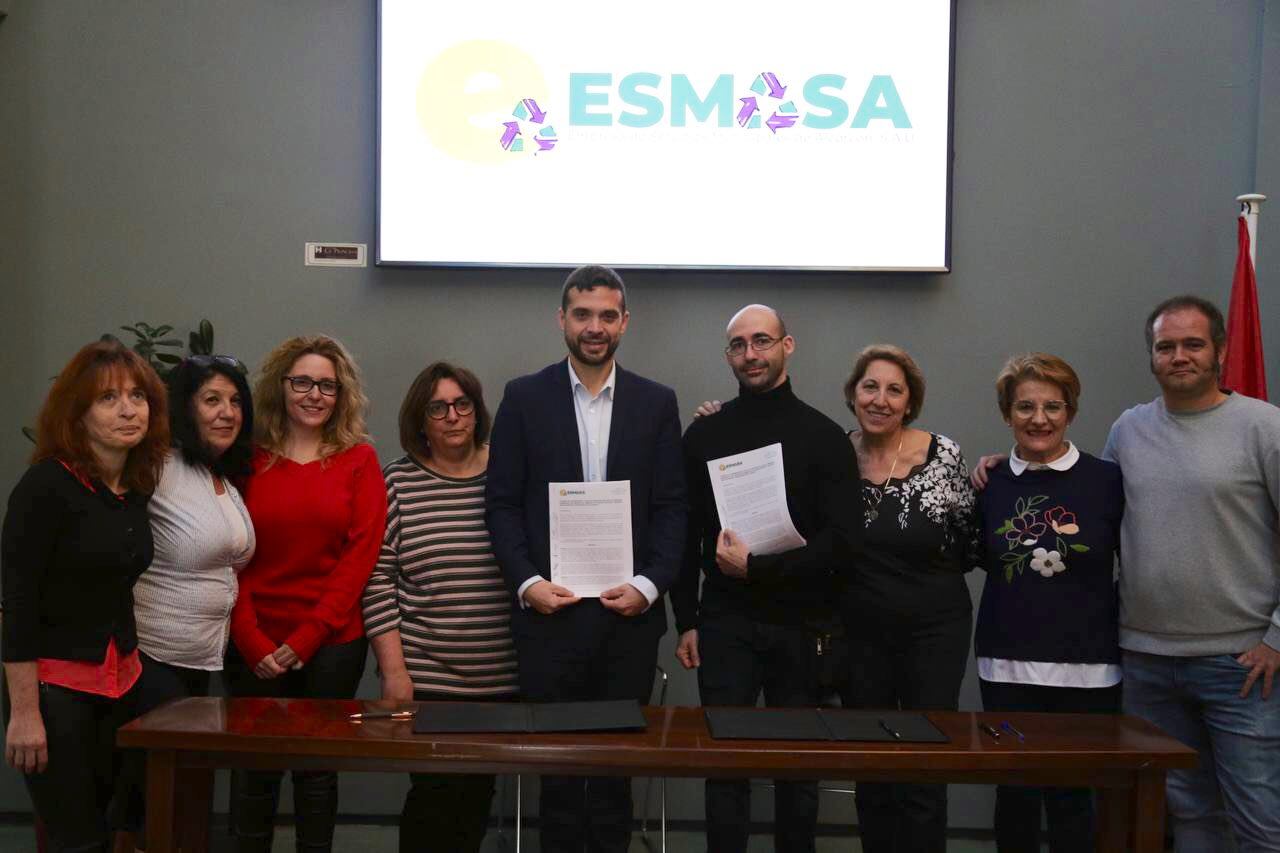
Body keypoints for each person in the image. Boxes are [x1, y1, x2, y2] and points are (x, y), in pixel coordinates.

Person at [485, 265, 686, 853]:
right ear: (562, 320)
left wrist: (649, 585)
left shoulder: (656, 402)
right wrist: (527, 583)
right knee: (559, 773)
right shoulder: (524, 397)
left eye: (606, 315)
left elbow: (674, 508)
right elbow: (501, 506)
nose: (594, 327)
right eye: (582, 315)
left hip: (628, 618)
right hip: (550, 616)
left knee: (615, 770)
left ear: (624, 321)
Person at [672, 305, 861, 853]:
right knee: (724, 764)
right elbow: (687, 536)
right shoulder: (706, 433)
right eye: (738, 345)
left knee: (796, 771)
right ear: (728, 355)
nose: (750, 354)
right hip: (726, 621)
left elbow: (842, 544)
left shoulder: (825, 437)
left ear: (787, 346)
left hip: (802, 623)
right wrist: (687, 619)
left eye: (761, 341)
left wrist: (760, 567)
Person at [1102, 296, 1280, 852]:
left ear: (1221, 351)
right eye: (1166, 346)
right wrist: (1005, 467)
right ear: (1152, 357)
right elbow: (1085, 507)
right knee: (1188, 817)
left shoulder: (1264, 427)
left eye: (1193, 344)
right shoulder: (1128, 430)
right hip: (1147, 662)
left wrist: (1278, 638)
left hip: (1242, 666)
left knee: (1258, 821)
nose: (1179, 356)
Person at [2, 339, 169, 853]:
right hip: (56, 691)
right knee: (78, 842)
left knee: (110, 831)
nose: (128, 409)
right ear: (77, 414)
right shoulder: (45, 486)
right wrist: (25, 714)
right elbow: (17, 602)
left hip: (121, 684)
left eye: (137, 396)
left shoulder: (135, 487)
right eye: (108, 399)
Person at [226, 335, 387, 853]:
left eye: (327, 386)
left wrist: (310, 635)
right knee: (254, 775)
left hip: (332, 641)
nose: (314, 395)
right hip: (252, 636)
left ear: (341, 396)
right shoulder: (245, 460)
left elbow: (359, 558)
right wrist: (251, 640)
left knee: (317, 776)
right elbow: (231, 552)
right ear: (281, 386)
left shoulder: (359, 460)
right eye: (303, 382)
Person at [362, 361, 517, 853]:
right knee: (431, 801)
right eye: (438, 407)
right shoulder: (398, 484)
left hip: (502, 679)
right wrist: (393, 672)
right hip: (427, 678)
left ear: (477, 411)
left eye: (462, 404)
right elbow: (377, 582)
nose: (452, 416)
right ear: (421, 420)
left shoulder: (510, 475)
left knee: (474, 801)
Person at [973, 353, 1123, 853]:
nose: (1039, 418)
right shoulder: (989, 482)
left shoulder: (1108, 481)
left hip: (1089, 669)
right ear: (1006, 413)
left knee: (1074, 803)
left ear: (1071, 412)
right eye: (1025, 406)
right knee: (1013, 800)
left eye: (1053, 406)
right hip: (1007, 667)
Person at [839, 344, 976, 853]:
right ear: (852, 395)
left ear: (910, 401)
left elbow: (969, 541)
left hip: (934, 632)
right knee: (870, 763)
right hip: (858, 634)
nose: (881, 399)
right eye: (870, 386)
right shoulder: (832, 455)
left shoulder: (944, 455)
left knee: (924, 763)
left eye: (894, 390)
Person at [134, 354, 257, 709]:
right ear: (185, 409)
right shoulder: (154, 468)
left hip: (204, 664)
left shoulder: (221, 476)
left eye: (236, 402)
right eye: (212, 400)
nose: (228, 413)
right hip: (152, 660)